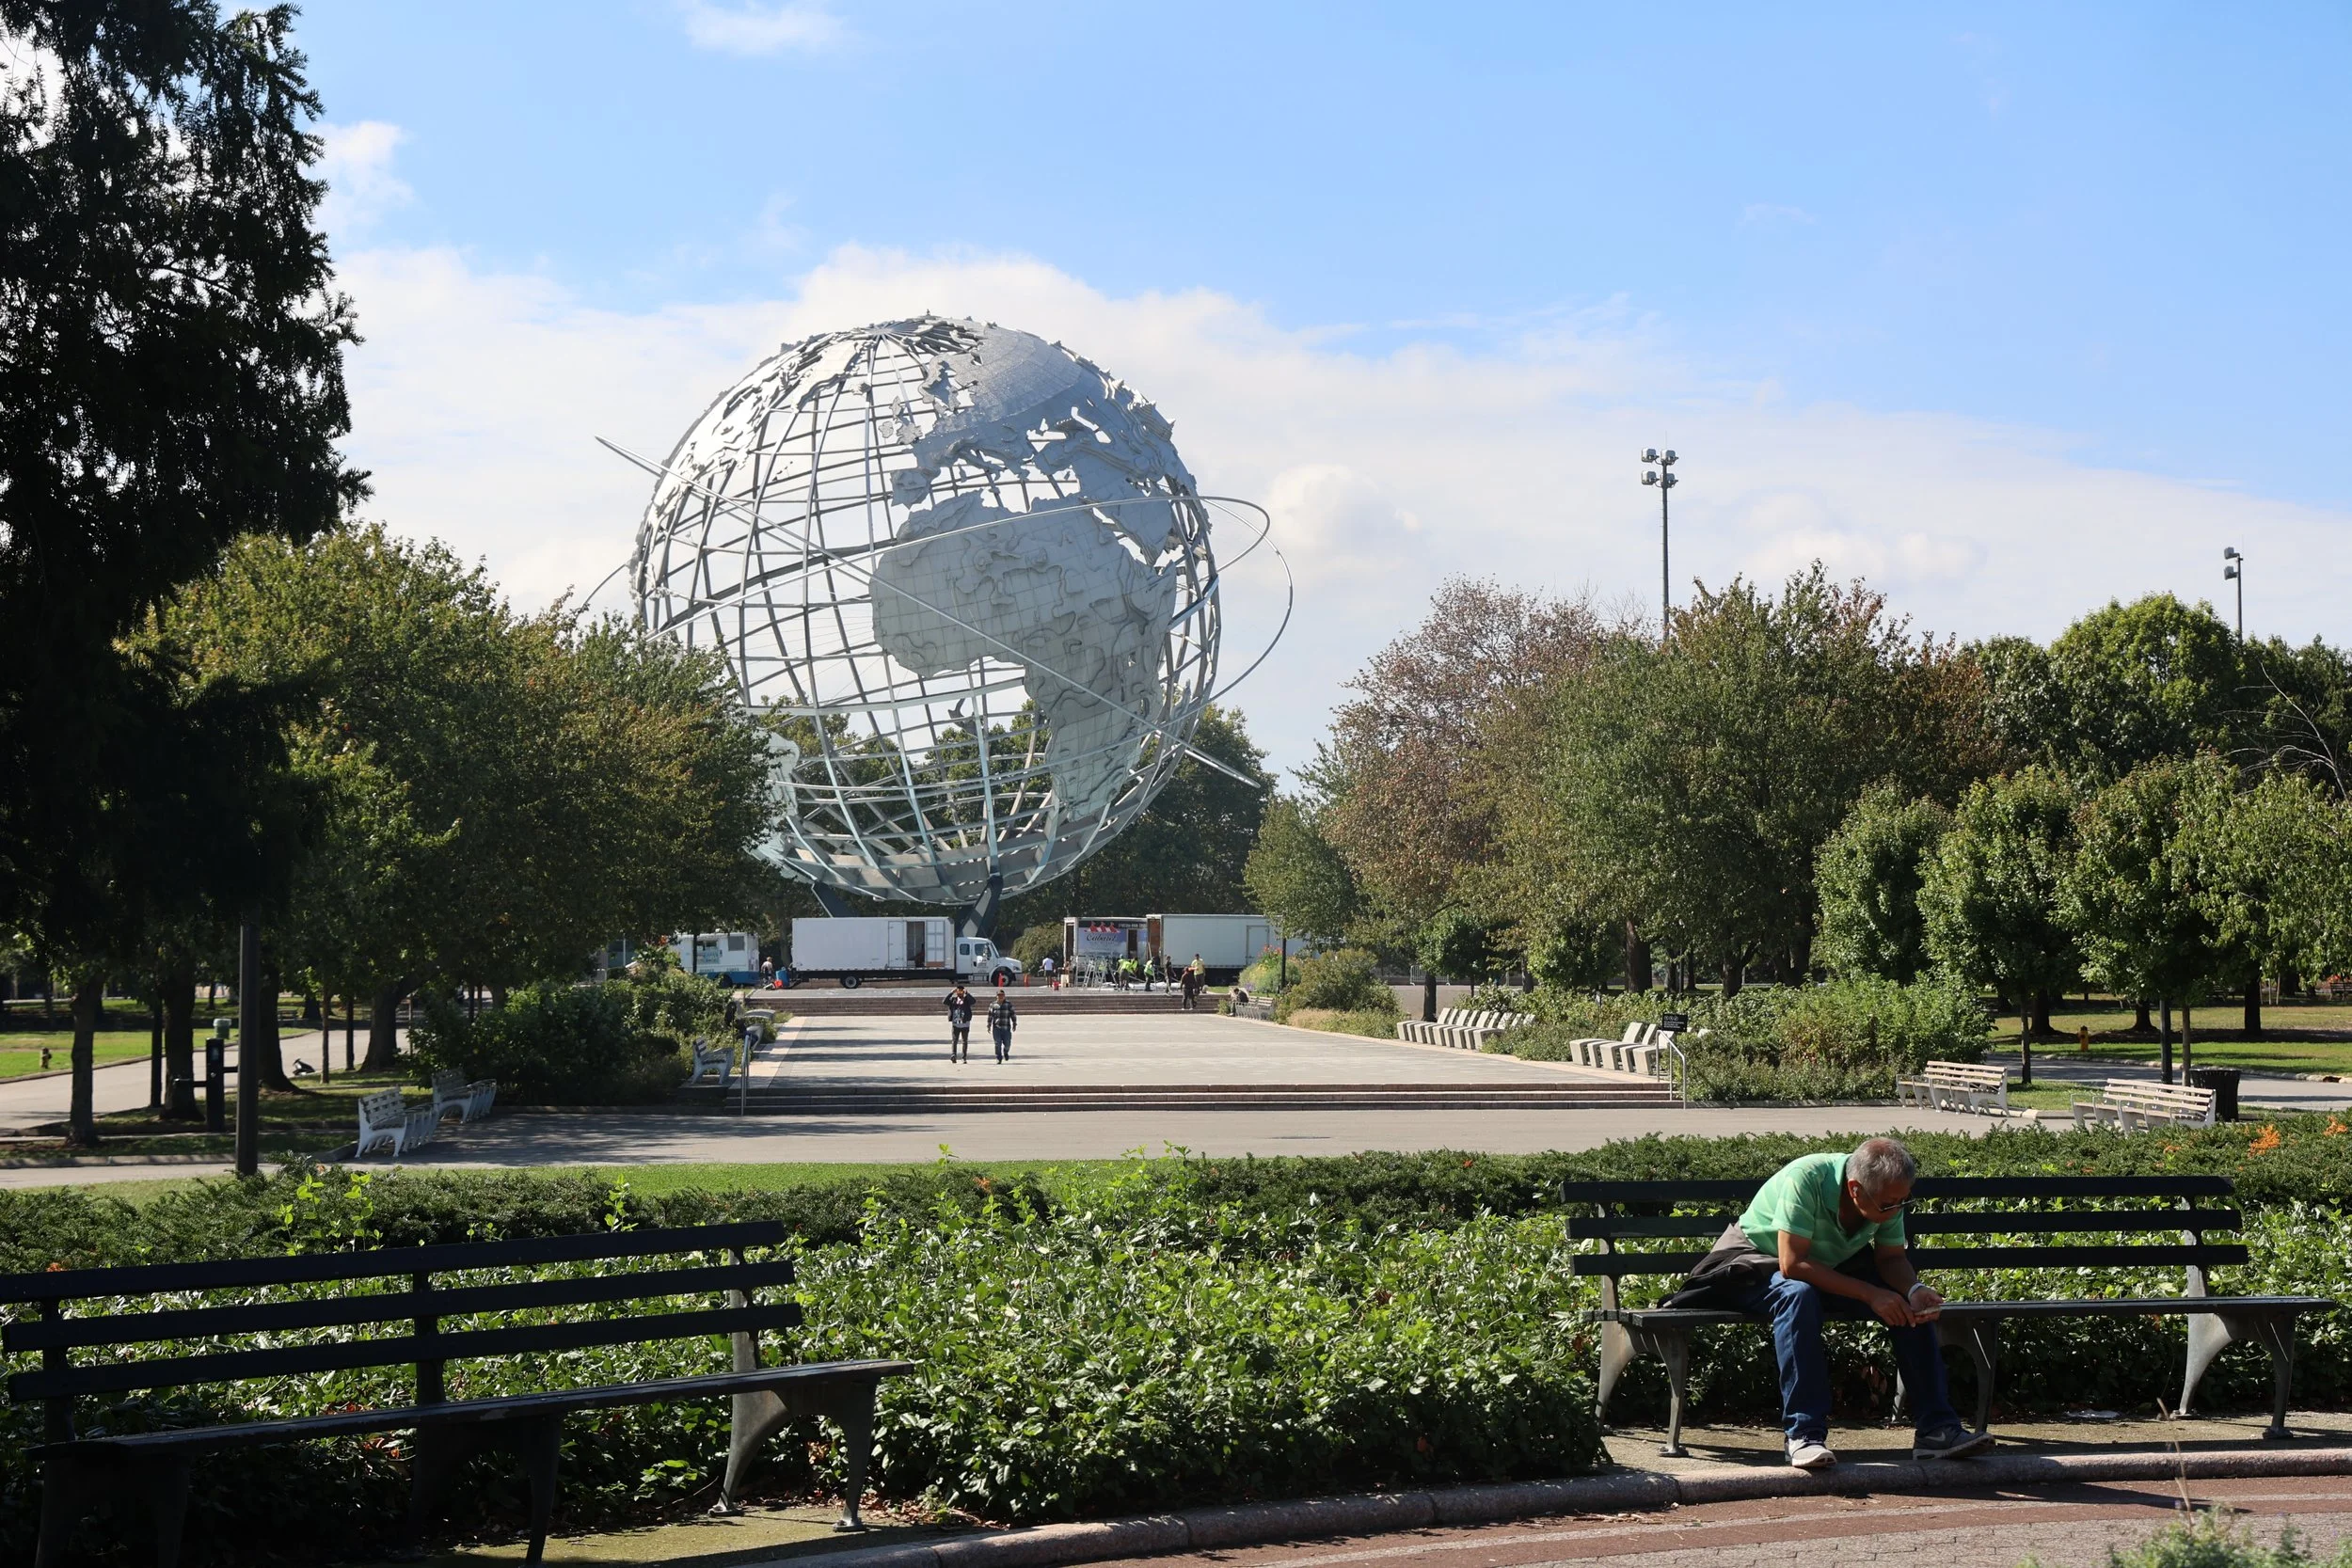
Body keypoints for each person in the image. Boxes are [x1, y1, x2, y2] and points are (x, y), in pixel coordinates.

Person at [1667, 1137, 1994, 1470]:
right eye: (1887, 1205)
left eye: (1902, 1202)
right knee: (1796, 1295)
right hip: (1752, 1266)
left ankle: (1937, 1430)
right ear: (1855, 1189)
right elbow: (1792, 1264)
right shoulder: (1806, 1177)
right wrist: (1870, 1294)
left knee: (1909, 1310)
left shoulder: (1886, 1196)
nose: (1895, 1211)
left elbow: (1891, 1258)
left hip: (1824, 1269)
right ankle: (1803, 1435)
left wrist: (1913, 1290)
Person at [944, 982, 974, 1064]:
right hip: (955, 1024)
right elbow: (944, 1001)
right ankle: (953, 1055)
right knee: (954, 1040)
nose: (960, 992)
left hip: (965, 1024)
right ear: (956, 992)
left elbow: (973, 1001)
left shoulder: (967, 1000)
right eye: (958, 991)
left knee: (965, 1041)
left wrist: (967, 994)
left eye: (961, 991)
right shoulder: (953, 1000)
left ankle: (964, 1057)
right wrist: (951, 993)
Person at [988, 987, 1017, 1063]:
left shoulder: (1008, 1004)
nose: (1000, 997)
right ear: (996, 996)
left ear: (1004, 996)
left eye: (1002, 995)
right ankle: (998, 1057)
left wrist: (1014, 1024)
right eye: (999, 995)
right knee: (997, 1043)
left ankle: (1006, 1052)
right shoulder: (993, 1005)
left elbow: (1013, 1014)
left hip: (1006, 1028)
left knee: (1007, 1044)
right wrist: (989, 1025)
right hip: (996, 1028)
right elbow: (990, 1016)